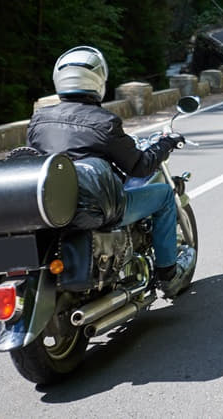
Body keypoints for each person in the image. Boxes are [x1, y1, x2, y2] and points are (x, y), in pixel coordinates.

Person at [27, 45, 195, 298]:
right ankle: (169, 276)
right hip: (94, 206)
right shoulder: (103, 122)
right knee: (162, 196)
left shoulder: (39, 120)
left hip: (51, 206)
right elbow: (139, 166)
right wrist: (166, 143)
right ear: (98, 81)